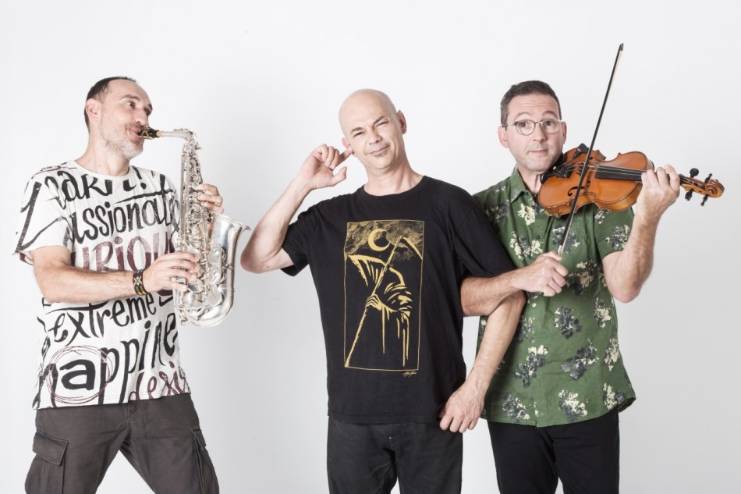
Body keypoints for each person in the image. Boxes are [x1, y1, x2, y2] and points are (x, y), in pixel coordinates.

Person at [241, 88, 524, 494]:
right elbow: (256, 258)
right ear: (348, 144)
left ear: (400, 122)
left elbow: (510, 294)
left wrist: (474, 389)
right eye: (358, 132)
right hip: (351, 419)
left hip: (433, 414)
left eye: (380, 123)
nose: (372, 138)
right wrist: (303, 184)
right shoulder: (330, 218)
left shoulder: (450, 205)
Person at [461, 80, 680, 494]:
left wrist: (648, 217)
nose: (538, 135)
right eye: (523, 124)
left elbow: (625, 287)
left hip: (588, 396)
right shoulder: (480, 209)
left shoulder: (600, 200)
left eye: (548, 122)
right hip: (512, 401)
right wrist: (519, 278)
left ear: (563, 130)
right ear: (503, 135)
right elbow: (461, 299)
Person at [14, 76, 222, 493]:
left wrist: (208, 226)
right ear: (94, 110)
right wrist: (143, 280)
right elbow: (53, 281)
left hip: (161, 384)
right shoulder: (51, 185)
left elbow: (191, 278)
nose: (143, 116)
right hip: (78, 390)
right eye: (131, 104)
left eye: (147, 109)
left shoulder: (162, 189)